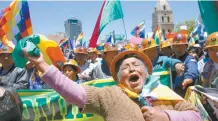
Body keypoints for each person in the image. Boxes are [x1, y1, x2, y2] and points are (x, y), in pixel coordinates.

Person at [23, 48, 201, 121]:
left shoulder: (164, 92)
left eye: (136, 65)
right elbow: (74, 91)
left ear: (147, 73)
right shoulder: (110, 94)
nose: (131, 68)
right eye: (125, 67)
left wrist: (167, 116)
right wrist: (42, 64)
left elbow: (196, 116)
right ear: (118, 77)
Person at [171, 33, 199, 97]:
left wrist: (188, 78)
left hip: (184, 94)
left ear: (186, 46)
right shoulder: (170, 59)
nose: (179, 49)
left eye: (181, 46)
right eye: (176, 46)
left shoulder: (190, 59)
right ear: (173, 47)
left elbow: (192, 69)